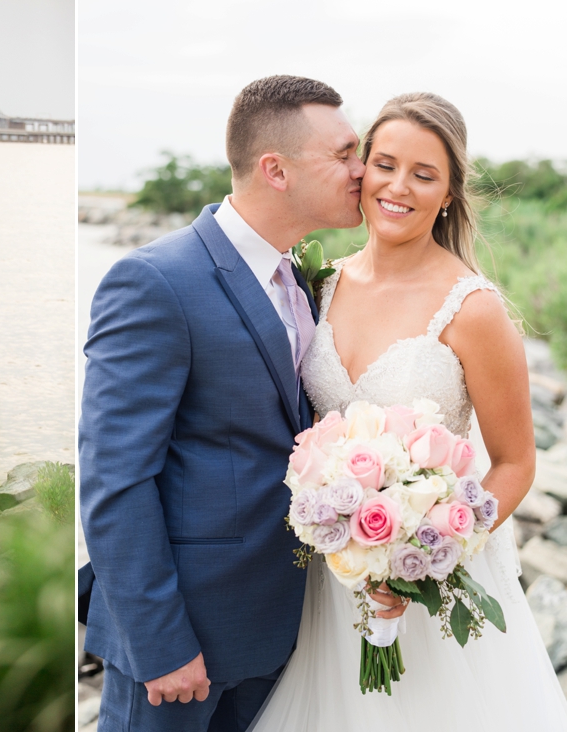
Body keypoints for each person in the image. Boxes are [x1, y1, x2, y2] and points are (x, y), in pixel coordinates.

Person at [79, 76, 389, 731]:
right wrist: (161, 644)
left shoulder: (300, 280)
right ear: (276, 170)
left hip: (278, 627)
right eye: (344, 154)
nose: (362, 171)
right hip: (183, 641)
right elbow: (114, 478)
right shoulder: (156, 281)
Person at [248, 93, 567, 730]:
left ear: (448, 193)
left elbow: (515, 462)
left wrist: (430, 547)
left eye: (424, 175)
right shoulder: (319, 285)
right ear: (361, 169)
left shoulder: (474, 309)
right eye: (385, 164)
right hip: (333, 577)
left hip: (428, 577)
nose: (399, 187)